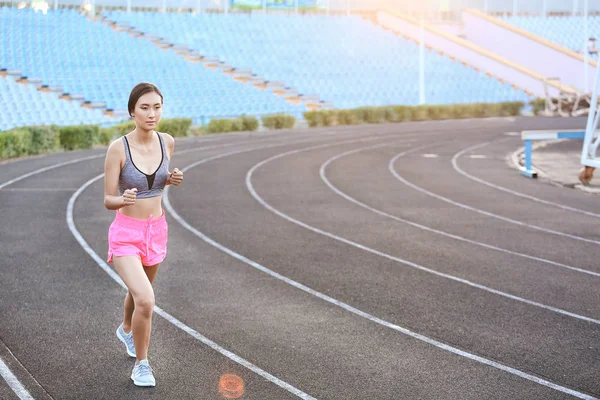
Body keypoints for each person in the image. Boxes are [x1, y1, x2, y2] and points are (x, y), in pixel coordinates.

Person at [103, 82, 183, 387]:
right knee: (146, 300)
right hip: (126, 234)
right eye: (145, 108)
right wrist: (122, 200)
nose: (152, 114)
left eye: (157, 107)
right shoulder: (118, 148)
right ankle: (142, 364)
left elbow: (160, 181)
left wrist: (172, 179)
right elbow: (108, 197)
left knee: (139, 293)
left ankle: (126, 329)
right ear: (132, 112)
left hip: (156, 231)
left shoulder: (168, 142)